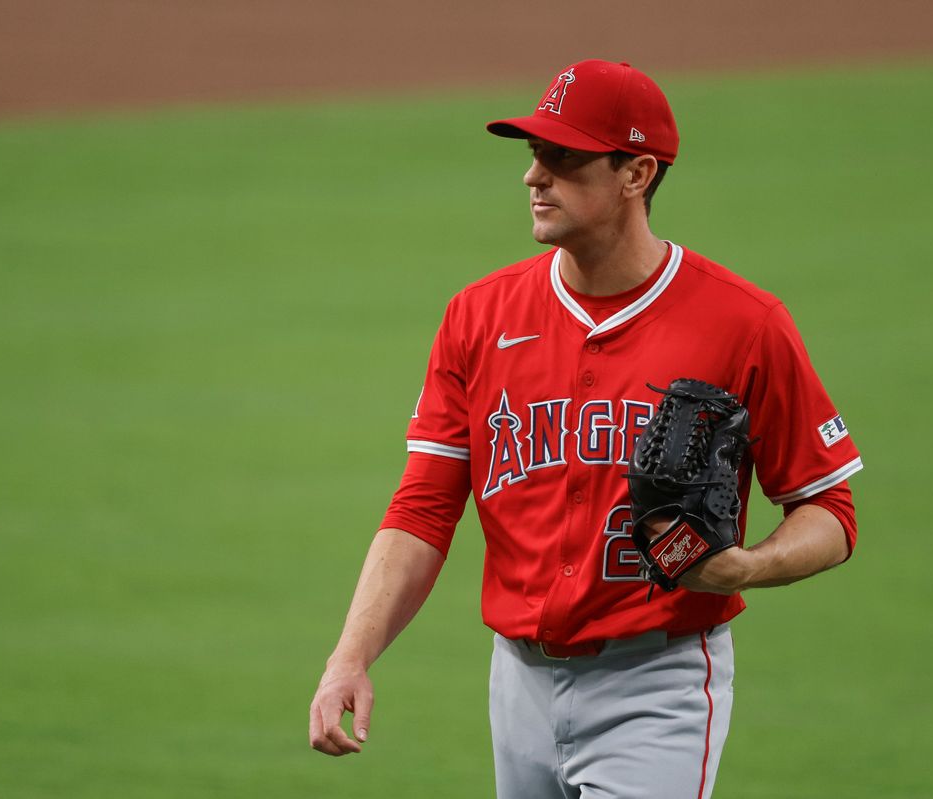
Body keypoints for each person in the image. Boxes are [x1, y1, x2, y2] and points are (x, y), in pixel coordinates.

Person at [309, 59, 863, 798]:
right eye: (535, 154)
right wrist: (350, 655)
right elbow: (423, 507)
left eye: (564, 158)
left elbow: (829, 508)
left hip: (655, 683)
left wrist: (745, 567)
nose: (535, 176)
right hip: (517, 685)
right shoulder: (479, 316)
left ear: (636, 173)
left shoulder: (743, 323)